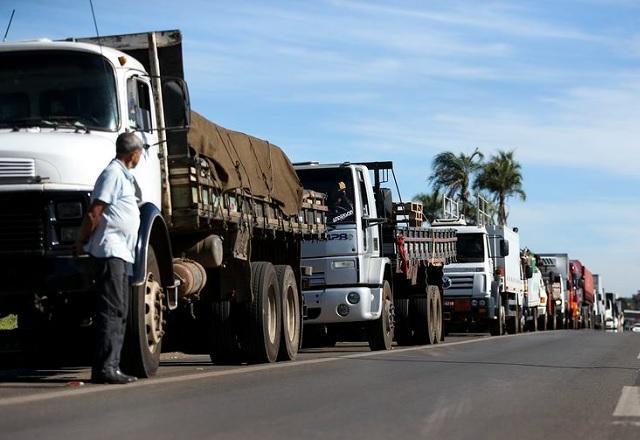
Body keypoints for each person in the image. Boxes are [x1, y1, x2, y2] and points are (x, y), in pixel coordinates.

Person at [75, 132, 144, 384]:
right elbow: (95, 212)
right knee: (112, 310)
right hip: (109, 251)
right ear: (133, 153)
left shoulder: (124, 176)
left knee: (120, 310)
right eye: (140, 152)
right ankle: (105, 368)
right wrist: (81, 241)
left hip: (121, 253)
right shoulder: (113, 174)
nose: (141, 156)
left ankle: (111, 365)